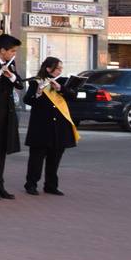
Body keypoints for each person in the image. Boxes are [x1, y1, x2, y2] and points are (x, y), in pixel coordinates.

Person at [24, 58, 77, 196]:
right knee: (36, 158)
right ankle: (31, 184)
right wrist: (38, 93)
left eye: (61, 68)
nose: (60, 71)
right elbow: (27, 100)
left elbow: (73, 96)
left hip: (59, 126)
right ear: (48, 69)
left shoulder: (63, 81)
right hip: (41, 126)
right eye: (58, 68)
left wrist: (60, 89)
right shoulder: (36, 81)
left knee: (55, 158)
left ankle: (51, 185)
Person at [0, 34, 25, 201]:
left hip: (7, 113)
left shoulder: (11, 64)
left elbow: (20, 84)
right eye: (12, 51)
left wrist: (11, 76)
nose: (14, 54)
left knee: (2, 149)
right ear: (2, 50)